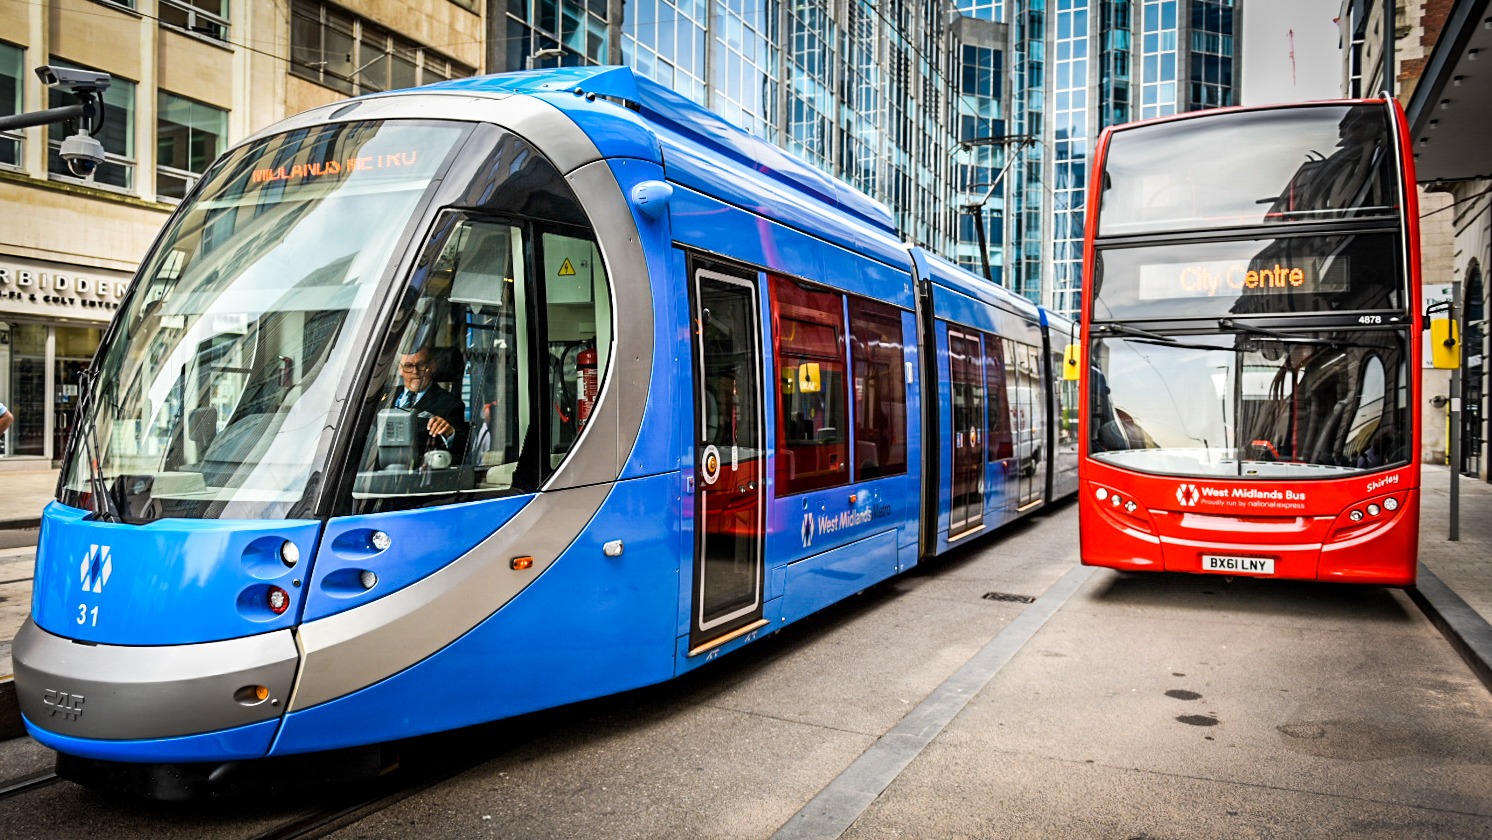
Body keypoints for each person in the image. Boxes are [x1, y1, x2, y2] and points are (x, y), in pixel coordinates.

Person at [388, 346, 468, 463]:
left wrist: (449, 433)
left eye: (421, 365)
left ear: (432, 366)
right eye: (409, 366)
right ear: (400, 369)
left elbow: (463, 446)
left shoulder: (450, 404)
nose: (415, 372)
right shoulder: (385, 397)